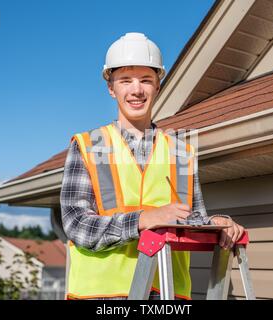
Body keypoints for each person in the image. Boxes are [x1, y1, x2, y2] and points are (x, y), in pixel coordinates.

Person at [60, 32, 245, 300]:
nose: (136, 90)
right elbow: (77, 224)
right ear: (111, 88)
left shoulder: (181, 152)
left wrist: (217, 224)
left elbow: (190, 219)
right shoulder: (90, 146)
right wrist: (143, 220)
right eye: (126, 80)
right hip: (104, 297)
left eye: (146, 80)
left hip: (168, 294)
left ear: (158, 86)